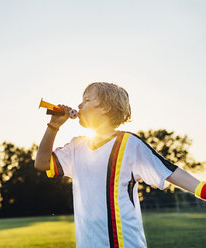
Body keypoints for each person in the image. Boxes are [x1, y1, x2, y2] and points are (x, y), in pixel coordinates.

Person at [34, 82, 206, 248]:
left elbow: (169, 171)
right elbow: (41, 163)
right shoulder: (76, 147)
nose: (79, 105)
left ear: (105, 107)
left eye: (86, 100)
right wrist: (53, 126)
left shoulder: (129, 144)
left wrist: (203, 190)